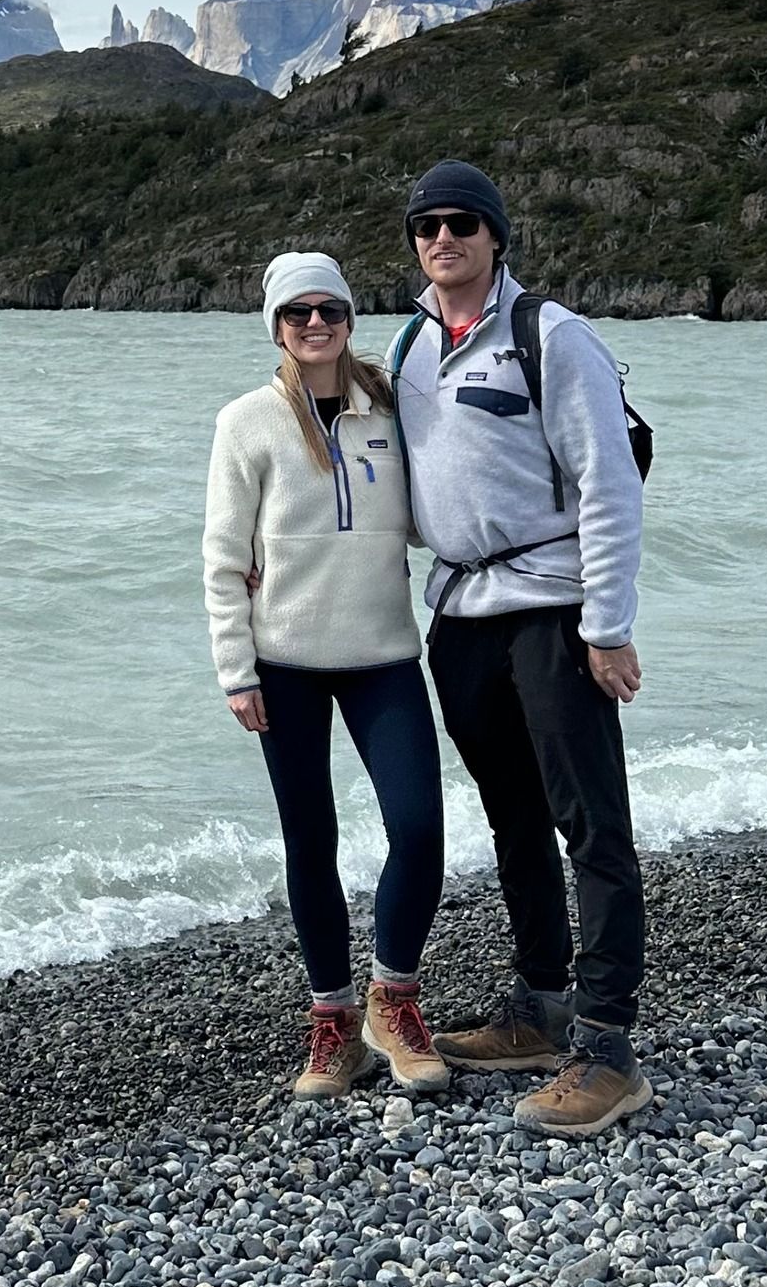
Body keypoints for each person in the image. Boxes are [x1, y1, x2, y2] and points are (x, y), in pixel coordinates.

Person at [389, 159, 651, 1137]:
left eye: (461, 222)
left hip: (548, 605)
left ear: (496, 235)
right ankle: (537, 1009)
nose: (441, 238)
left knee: (590, 823)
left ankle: (606, 1047)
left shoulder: (551, 336)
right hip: (457, 616)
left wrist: (606, 624)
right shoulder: (413, 342)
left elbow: (608, 484)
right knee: (510, 816)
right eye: (425, 225)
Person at [204, 249, 447, 1100]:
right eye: (296, 312)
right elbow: (224, 558)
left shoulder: (392, 407)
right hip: (287, 666)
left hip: (384, 656)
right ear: (276, 324)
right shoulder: (246, 421)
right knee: (312, 842)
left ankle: (394, 997)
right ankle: (332, 1023)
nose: (315, 323)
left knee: (420, 828)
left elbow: (439, 505)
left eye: (329, 309)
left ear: (349, 316)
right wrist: (238, 669)